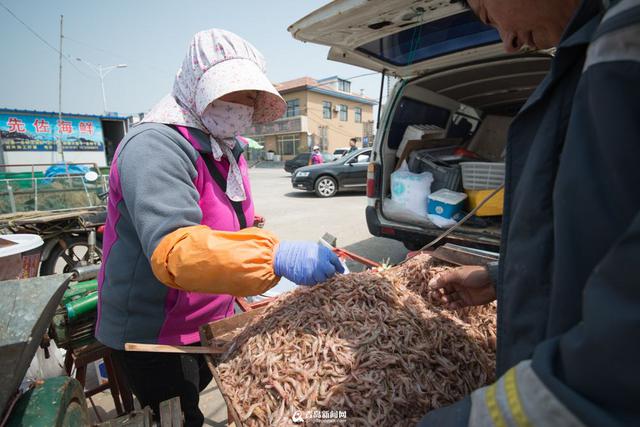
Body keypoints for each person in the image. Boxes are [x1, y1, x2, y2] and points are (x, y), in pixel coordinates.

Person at [95, 29, 344, 426]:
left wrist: (258, 236)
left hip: (211, 315)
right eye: (229, 93)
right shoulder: (155, 145)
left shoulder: (225, 146)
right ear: (195, 87)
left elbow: (232, 220)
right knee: (178, 416)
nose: (240, 106)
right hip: (155, 331)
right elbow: (175, 250)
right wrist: (273, 256)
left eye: (249, 96)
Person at [421, 0, 640, 425]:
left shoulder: (624, 36)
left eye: (489, 15)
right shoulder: (594, 48)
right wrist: (502, 277)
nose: (507, 43)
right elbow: (604, 229)